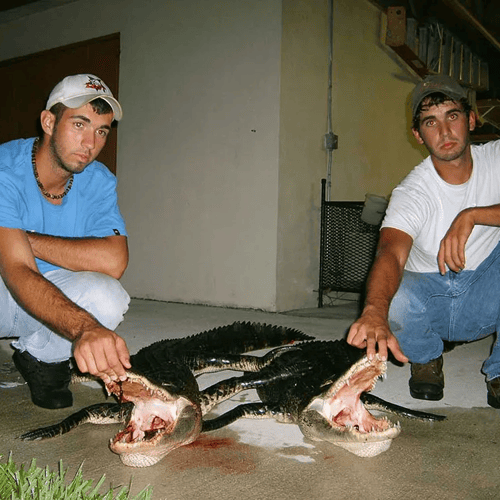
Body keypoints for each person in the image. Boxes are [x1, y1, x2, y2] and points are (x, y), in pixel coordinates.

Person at [347, 74, 500, 409]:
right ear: (418, 134)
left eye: (453, 116)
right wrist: (374, 311)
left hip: (488, 294)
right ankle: (425, 358)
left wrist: (473, 214)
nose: (444, 132)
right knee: (397, 295)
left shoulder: (497, 159)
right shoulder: (413, 192)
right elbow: (391, 254)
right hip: (430, 305)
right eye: (431, 122)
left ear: (471, 119)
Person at [0, 74, 132, 409]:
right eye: (79, 124)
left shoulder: (99, 180)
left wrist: (20, 237)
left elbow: (114, 261)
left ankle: (42, 358)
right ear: (48, 121)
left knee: (109, 296)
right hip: (3, 286)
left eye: (102, 130)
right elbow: (15, 268)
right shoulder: (5, 170)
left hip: (48, 292)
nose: (91, 142)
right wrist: (85, 328)